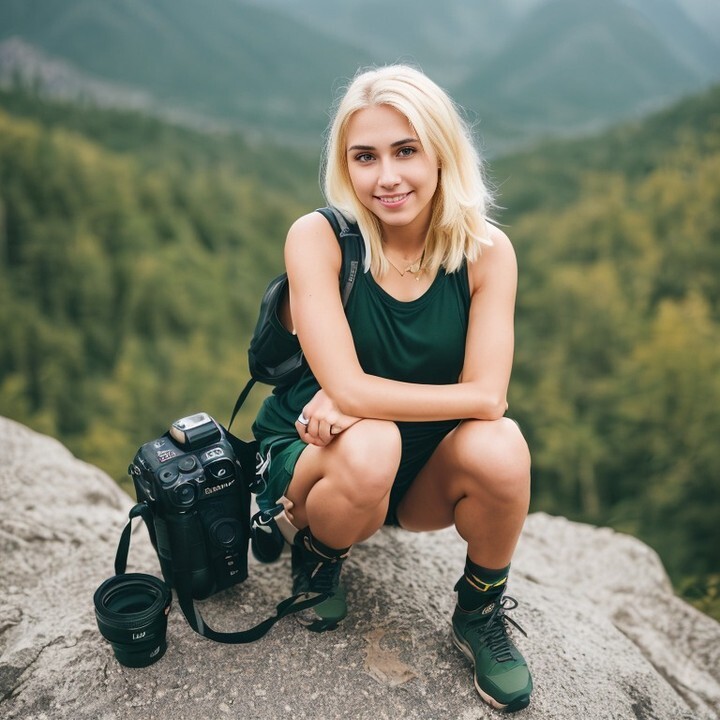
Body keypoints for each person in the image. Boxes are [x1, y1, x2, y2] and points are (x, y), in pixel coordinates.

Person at [252, 64, 533, 713]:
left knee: (503, 446)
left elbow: (489, 400)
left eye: (406, 150)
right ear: (344, 166)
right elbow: (350, 388)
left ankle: (479, 608)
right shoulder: (319, 238)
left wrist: (358, 396)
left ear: (441, 151)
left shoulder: (487, 252)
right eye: (365, 157)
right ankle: (318, 559)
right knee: (373, 441)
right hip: (318, 456)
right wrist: (353, 399)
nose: (387, 177)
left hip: (420, 467)